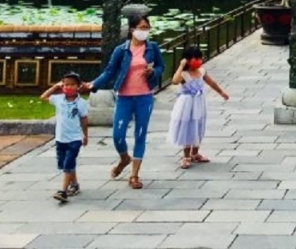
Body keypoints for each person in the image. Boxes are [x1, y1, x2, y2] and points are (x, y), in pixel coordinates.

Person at [84, 15, 164, 190]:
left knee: (140, 134)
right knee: (117, 135)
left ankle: (134, 175)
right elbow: (110, 71)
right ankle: (124, 158)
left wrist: (153, 71)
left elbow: (161, 67)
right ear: (132, 29)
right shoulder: (121, 50)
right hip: (124, 97)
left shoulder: (152, 48)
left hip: (144, 96)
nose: (144, 31)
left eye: (146, 27)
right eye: (141, 27)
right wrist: (94, 84)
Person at [168, 46, 229, 169]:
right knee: (188, 126)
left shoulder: (201, 71)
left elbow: (211, 82)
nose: (198, 61)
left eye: (199, 58)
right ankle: (186, 156)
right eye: (195, 58)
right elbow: (175, 81)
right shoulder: (184, 74)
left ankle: (195, 153)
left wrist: (221, 92)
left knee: (198, 125)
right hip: (187, 104)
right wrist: (181, 66)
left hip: (199, 102)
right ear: (187, 60)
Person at [39, 72, 88, 203]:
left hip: (75, 138)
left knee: (68, 163)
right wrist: (55, 87)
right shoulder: (58, 99)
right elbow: (43, 97)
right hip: (61, 138)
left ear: (78, 86)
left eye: (72, 85)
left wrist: (85, 135)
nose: (69, 87)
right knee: (65, 164)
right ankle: (75, 184)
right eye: (66, 84)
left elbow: (84, 119)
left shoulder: (82, 103)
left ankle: (63, 191)